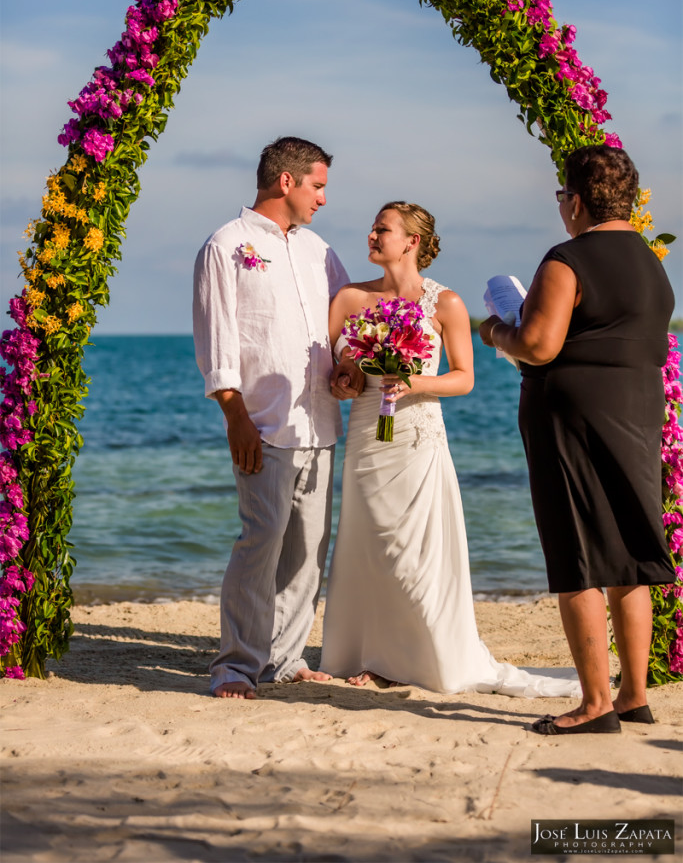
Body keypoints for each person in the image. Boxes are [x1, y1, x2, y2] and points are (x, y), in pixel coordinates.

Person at [321, 201, 580, 699]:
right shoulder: (349, 299)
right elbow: (339, 374)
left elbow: (464, 378)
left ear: (412, 241)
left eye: (382, 229)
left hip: (418, 437)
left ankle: (408, 657)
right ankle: (371, 652)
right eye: (372, 229)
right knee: (370, 542)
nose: (371, 236)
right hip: (367, 435)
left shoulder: (447, 303)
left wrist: (414, 380)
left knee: (413, 552)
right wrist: (345, 379)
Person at [479, 144, 676, 734]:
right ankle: (634, 695)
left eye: (564, 196)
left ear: (580, 201)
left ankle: (594, 704)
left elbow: (539, 344)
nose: (563, 206)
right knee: (628, 557)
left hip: (575, 421)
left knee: (579, 558)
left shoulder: (567, 259)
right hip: (639, 414)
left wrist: (495, 330)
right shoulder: (651, 262)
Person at [193, 136, 359, 699]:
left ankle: (285, 659)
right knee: (260, 542)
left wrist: (348, 370)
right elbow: (218, 339)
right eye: (318, 186)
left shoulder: (320, 251)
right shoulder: (226, 245)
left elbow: (342, 332)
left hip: (321, 425)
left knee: (308, 549)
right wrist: (235, 415)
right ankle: (236, 664)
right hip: (262, 424)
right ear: (285, 182)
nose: (323, 199)